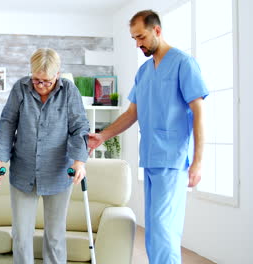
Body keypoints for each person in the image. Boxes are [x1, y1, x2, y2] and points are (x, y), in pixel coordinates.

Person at [88, 10, 209, 264]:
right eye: (134, 38)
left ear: (157, 30)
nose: (137, 44)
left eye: (141, 37)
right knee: (153, 229)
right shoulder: (143, 72)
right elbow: (132, 113)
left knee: (165, 228)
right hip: (151, 157)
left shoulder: (183, 63)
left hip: (174, 159)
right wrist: (103, 136)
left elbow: (199, 113)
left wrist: (198, 161)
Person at [0, 48, 89, 264]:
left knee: (54, 237)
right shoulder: (21, 88)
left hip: (58, 173)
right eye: (36, 80)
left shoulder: (69, 91)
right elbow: (7, 124)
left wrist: (79, 162)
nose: (41, 85)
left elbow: (79, 128)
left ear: (58, 75)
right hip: (23, 172)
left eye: (46, 81)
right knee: (22, 237)